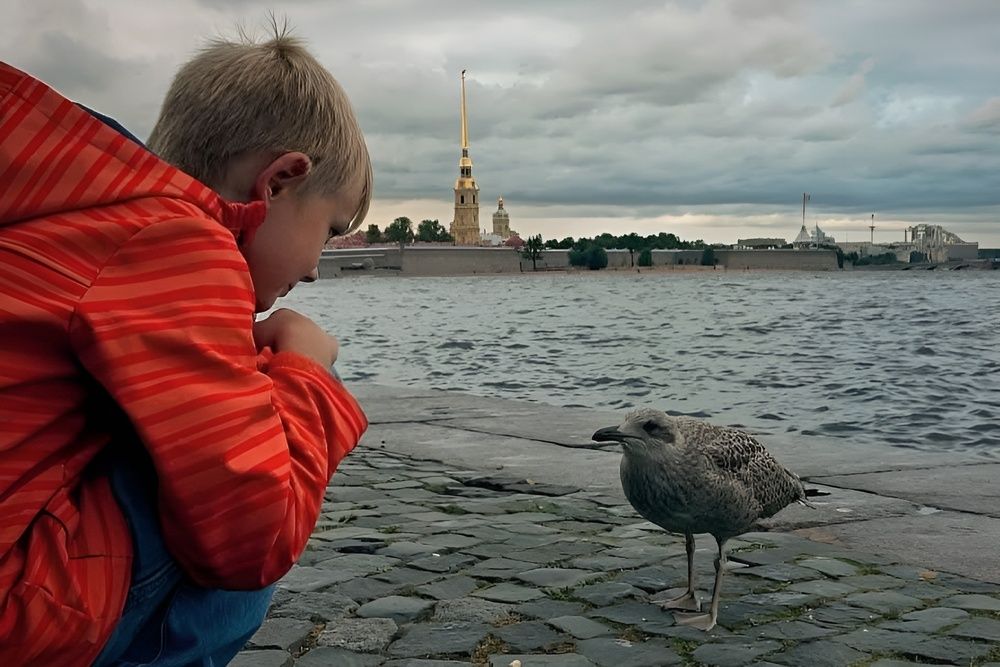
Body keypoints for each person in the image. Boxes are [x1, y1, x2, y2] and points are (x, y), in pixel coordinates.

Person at [0, 24, 372, 666]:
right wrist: (306, 372)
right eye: (330, 229)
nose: (316, 266)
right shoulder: (178, 244)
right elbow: (251, 538)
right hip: (14, 616)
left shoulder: (81, 222)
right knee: (264, 443)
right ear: (278, 182)